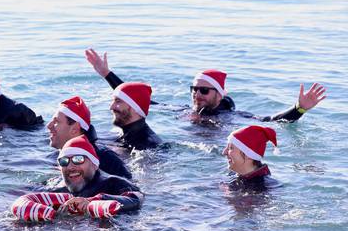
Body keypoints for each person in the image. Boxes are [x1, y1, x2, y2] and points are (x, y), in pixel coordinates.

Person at [85, 48, 327, 122]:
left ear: (219, 95)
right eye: (194, 89)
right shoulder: (185, 111)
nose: (197, 95)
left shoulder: (229, 117)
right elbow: (139, 101)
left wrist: (300, 108)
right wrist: (107, 74)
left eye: (203, 90)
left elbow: (269, 121)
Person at [10, 136, 144, 222]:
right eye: (64, 162)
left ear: (94, 164)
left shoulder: (113, 183)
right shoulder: (56, 190)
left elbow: (136, 199)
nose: (71, 166)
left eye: (78, 159)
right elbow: (24, 198)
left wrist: (92, 201)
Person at [47, 96, 132, 179]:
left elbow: (130, 187)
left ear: (74, 129)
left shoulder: (105, 160)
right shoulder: (57, 155)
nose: (49, 126)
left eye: (56, 122)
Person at [222, 125, 279, 192]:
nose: (224, 152)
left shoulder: (262, 188)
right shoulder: (232, 175)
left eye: (231, 148)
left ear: (248, 155)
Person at [110, 82, 162, 151]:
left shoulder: (147, 145)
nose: (111, 107)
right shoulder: (120, 133)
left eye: (118, 101)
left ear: (135, 108)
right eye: (113, 100)